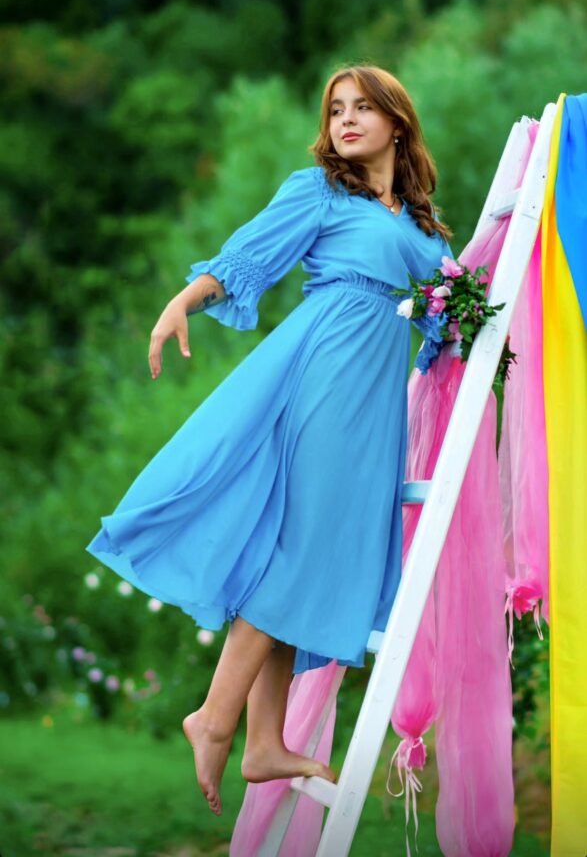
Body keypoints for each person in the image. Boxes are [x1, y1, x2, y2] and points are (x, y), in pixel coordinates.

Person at [85, 64, 454, 818]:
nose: (345, 119)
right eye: (336, 109)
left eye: (362, 107)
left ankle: (262, 741)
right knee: (300, 546)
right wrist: (183, 301)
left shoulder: (421, 227)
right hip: (324, 377)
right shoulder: (321, 191)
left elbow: (442, 318)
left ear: (396, 123)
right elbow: (248, 257)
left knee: (308, 550)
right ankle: (213, 719)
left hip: (373, 404)